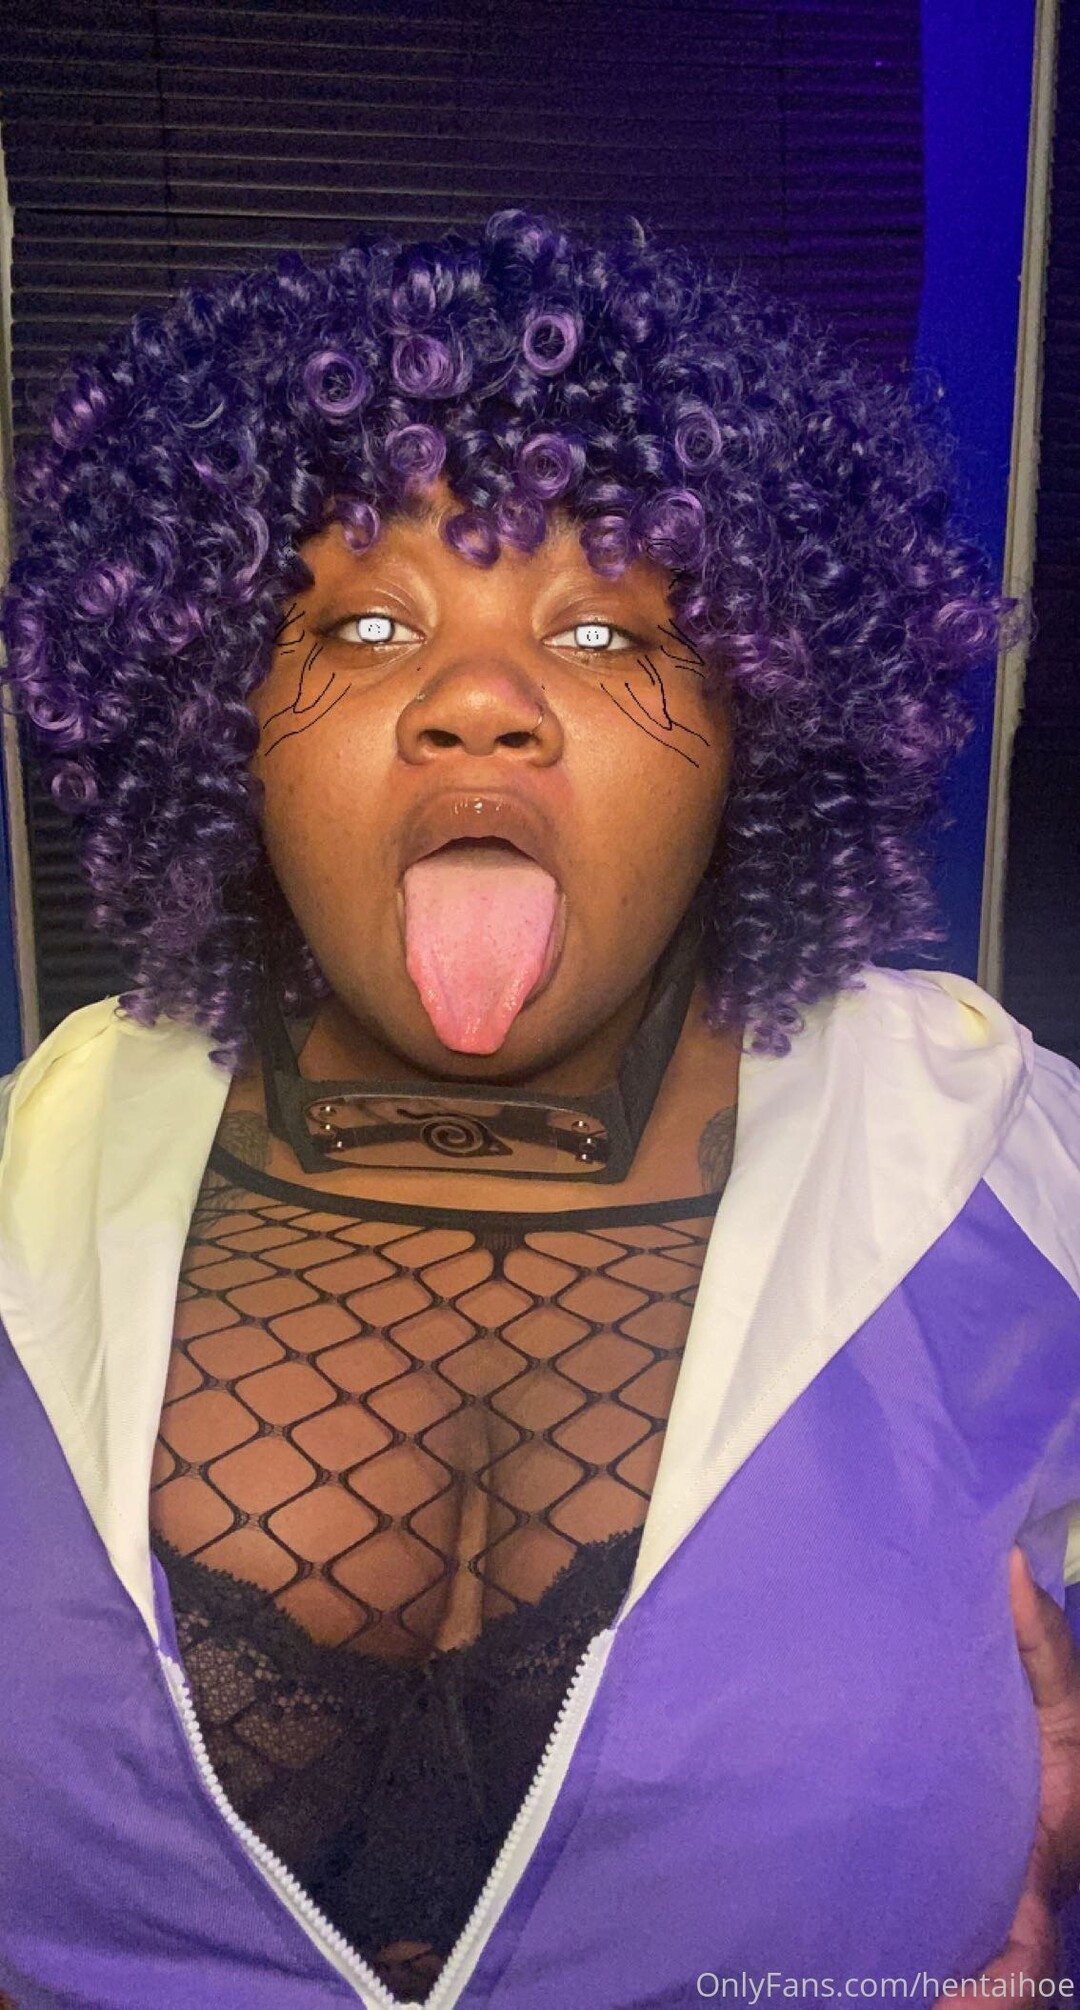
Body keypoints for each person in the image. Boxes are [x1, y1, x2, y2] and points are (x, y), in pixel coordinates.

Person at [0, 209, 1079, 2010]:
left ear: (757, 718)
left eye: (600, 629)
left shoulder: (997, 1157)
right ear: (222, 716)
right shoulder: (35, 1171)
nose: (479, 702)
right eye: (363, 622)